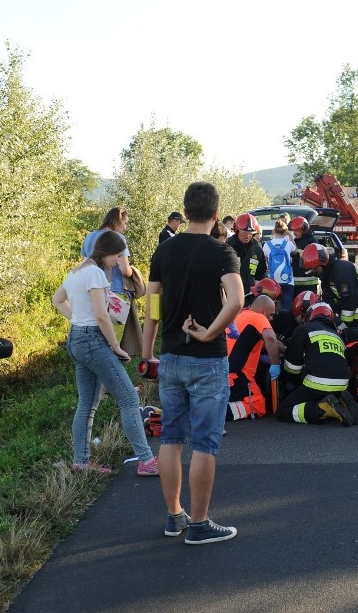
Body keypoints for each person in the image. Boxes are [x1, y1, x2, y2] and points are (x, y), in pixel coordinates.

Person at [142, 181, 244, 545]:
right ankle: (199, 524)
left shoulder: (164, 251)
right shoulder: (222, 253)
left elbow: (152, 305)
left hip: (169, 356)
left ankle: (174, 517)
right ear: (216, 214)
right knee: (204, 443)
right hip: (206, 359)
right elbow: (236, 301)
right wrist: (208, 332)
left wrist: (147, 351)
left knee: (170, 439)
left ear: (184, 213)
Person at [52, 231, 158, 476]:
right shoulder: (96, 274)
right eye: (118, 256)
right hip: (94, 341)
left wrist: (76, 319)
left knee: (87, 404)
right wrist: (116, 346)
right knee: (129, 399)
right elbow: (101, 315)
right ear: (108, 252)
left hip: (77, 338)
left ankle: (81, 461)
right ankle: (146, 460)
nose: (119, 261)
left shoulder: (76, 271)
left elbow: (57, 300)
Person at [277, 302, 358, 426]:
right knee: (321, 385)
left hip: (317, 383)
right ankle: (338, 397)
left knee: (283, 411)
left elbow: (292, 368)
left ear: (310, 316)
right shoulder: (338, 336)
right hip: (343, 383)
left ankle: (323, 408)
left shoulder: (303, 329)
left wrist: (293, 384)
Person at [226, 295, 281, 420]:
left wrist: (284, 349)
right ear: (263, 311)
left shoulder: (242, 316)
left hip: (226, 374)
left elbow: (265, 343)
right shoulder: (258, 317)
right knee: (258, 405)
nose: (271, 318)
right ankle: (215, 413)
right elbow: (271, 338)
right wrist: (275, 364)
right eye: (271, 314)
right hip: (238, 376)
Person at [301, 242, 358, 329]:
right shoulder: (327, 273)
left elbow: (349, 299)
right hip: (354, 304)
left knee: (351, 337)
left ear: (323, 263)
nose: (314, 272)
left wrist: (344, 326)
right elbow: (329, 297)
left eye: (315, 268)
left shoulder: (341, 271)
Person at [80, 206, 134, 302]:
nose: (125, 228)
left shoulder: (89, 237)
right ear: (118, 220)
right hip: (113, 291)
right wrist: (133, 272)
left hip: (90, 289)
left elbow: (84, 266)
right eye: (125, 223)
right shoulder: (118, 238)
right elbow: (125, 270)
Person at [226, 212, 266, 292]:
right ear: (237, 231)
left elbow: (261, 274)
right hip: (231, 293)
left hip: (249, 294)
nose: (247, 236)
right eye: (244, 233)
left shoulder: (257, 249)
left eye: (250, 233)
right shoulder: (227, 246)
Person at [262, 220, 295, 310]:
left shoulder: (266, 245)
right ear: (285, 232)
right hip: (288, 280)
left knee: (271, 307)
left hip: (272, 281)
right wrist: (290, 235)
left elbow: (265, 262)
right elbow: (295, 251)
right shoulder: (288, 244)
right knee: (286, 307)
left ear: (274, 231)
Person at [288, 216, 318, 299]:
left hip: (309, 283)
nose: (294, 233)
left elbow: (307, 261)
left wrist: (294, 254)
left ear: (303, 230)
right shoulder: (296, 241)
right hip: (295, 283)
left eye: (296, 231)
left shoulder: (312, 242)